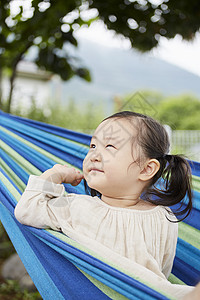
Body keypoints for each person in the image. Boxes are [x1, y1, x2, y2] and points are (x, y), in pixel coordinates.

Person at [15, 111, 195, 299]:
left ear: (146, 169)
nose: (93, 155)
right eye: (92, 145)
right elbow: (27, 209)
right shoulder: (74, 206)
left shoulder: (163, 217)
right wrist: (54, 174)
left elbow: (161, 273)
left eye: (110, 146)